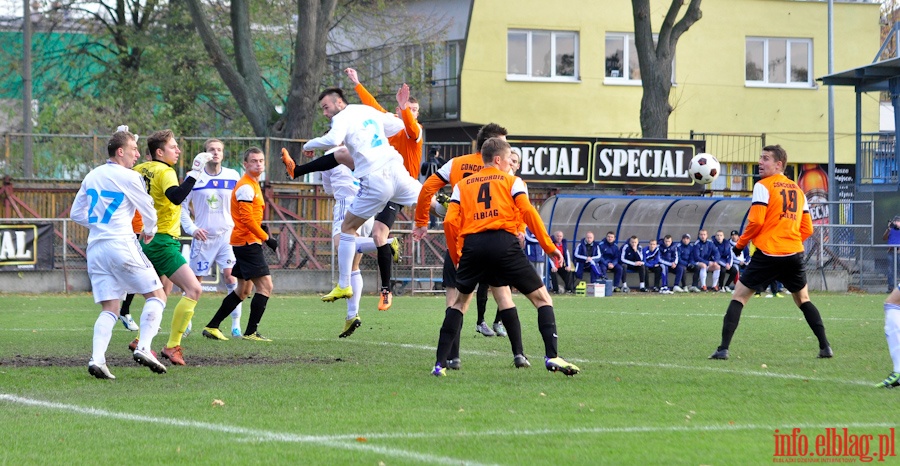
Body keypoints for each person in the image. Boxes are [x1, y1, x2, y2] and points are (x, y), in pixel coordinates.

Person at [432, 137, 579, 377]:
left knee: (459, 304)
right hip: (503, 243)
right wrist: (549, 246)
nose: (511, 163)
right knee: (542, 299)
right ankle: (552, 357)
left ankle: (439, 364)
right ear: (498, 159)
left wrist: (458, 252)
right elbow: (528, 212)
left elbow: (449, 221)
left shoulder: (462, 185)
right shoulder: (513, 181)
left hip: (473, 246)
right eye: (509, 158)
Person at [289, 87, 421, 306]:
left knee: (345, 238)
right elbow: (395, 123)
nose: (325, 112)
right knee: (364, 247)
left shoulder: (345, 120)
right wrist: (398, 110)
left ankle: (348, 284)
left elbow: (333, 140)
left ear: (339, 102)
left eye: (325, 107)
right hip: (395, 178)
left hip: (370, 188)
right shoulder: (365, 113)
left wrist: (308, 144)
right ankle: (355, 311)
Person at [709, 144, 832, 360]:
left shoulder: (763, 186)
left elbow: (755, 221)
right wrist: (791, 240)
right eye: (760, 158)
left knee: (738, 296)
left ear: (779, 164)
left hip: (768, 253)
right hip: (793, 254)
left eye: (765, 158)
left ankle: (723, 349)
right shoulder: (798, 190)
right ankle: (825, 347)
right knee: (803, 299)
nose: (760, 162)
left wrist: (739, 246)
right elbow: (808, 229)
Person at [72, 127, 168, 378]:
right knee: (157, 295)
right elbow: (147, 206)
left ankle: (97, 359)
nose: (138, 155)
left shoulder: (92, 175)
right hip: (121, 243)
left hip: (96, 248)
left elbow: (75, 214)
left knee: (111, 308)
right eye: (134, 150)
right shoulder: (129, 176)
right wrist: (150, 229)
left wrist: (98, 225)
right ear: (120, 151)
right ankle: (145, 347)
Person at [412, 123, 511, 368]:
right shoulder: (502, 170)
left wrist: (422, 221)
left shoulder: (456, 163)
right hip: (492, 242)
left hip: (460, 241)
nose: (508, 148)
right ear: (493, 145)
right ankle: (521, 354)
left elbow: (426, 189)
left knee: (453, 301)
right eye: (504, 142)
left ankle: (452, 357)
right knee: (506, 296)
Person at [132, 130, 207, 366]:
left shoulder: (139, 169)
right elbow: (175, 197)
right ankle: (173, 346)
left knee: (162, 291)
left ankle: (139, 340)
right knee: (194, 289)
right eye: (173, 147)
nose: (178, 151)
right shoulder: (165, 171)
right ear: (159, 152)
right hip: (162, 239)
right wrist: (194, 174)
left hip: (146, 236)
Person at [201, 147, 277, 341]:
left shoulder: (253, 184)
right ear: (245, 164)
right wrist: (266, 238)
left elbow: (251, 218)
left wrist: (262, 233)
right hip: (247, 242)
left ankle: (212, 327)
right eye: (254, 161)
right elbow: (246, 220)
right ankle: (251, 332)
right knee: (266, 286)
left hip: (246, 241)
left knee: (243, 290)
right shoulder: (245, 186)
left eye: (261, 160)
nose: (258, 164)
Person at [180, 138, 243, 337]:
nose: (215, 153)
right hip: (203, 238)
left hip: (227, 236)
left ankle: (235, 325)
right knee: (194, 282)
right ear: (204, 154)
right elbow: (181, 207)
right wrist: (192, 228)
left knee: (231, 277)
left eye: (219, 150)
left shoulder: (233, 175)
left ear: (223, 154)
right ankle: (187, 322)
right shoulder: (194, 177)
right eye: (211, 150)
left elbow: (241, 204)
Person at [325, 162, 374, 337]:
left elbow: (328, 189)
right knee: (353, 265)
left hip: (347, 203)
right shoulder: (359, 150)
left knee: (343, 245)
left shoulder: (330, 156)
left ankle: (384, 243)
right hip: (367, 206)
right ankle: (352, 315)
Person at [884, 215, 900, 292]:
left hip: (899, 252)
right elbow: (884, 238)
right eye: (895, 221)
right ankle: (891, 287)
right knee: (890, 270)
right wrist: (888, 229)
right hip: (891, 252)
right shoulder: (890, 229)